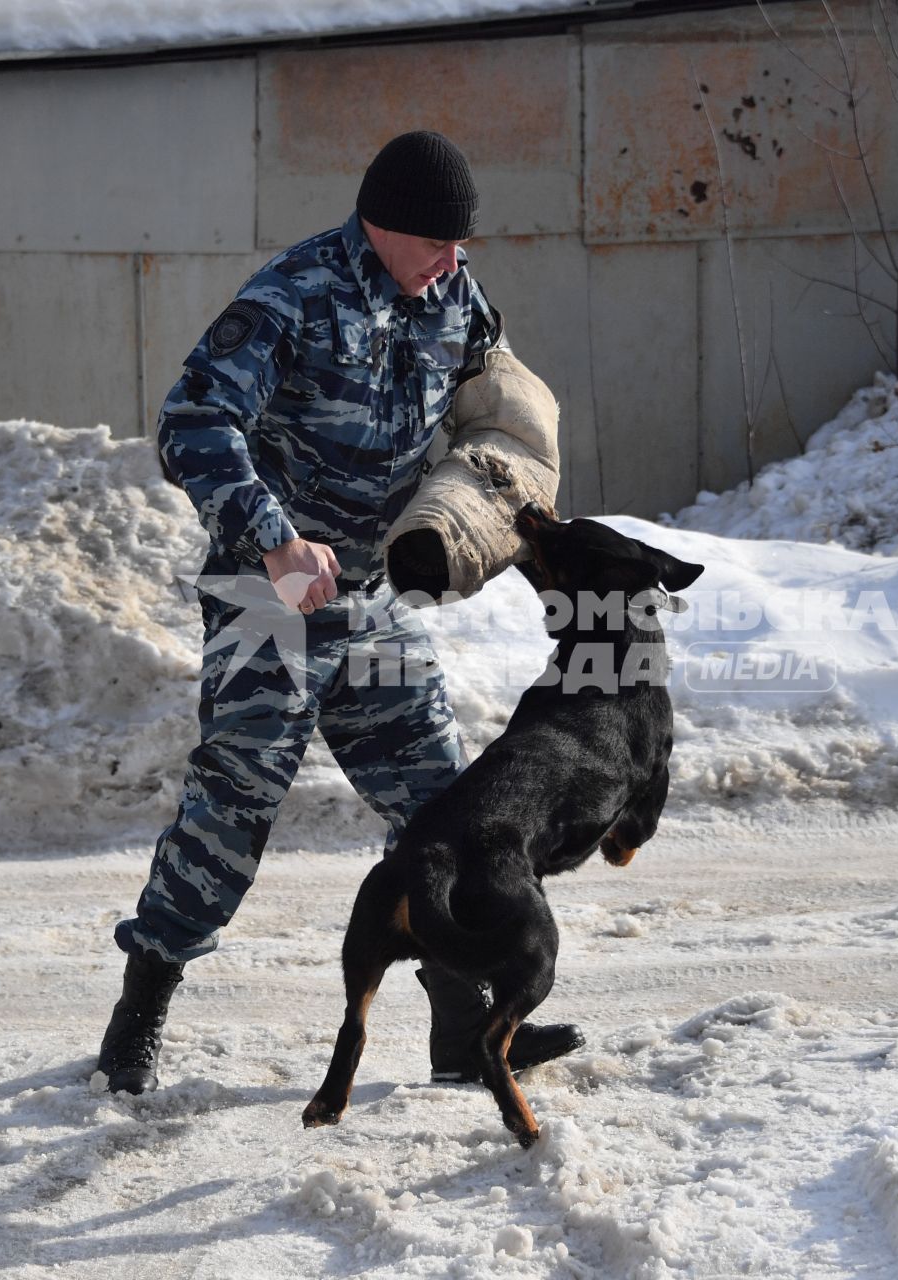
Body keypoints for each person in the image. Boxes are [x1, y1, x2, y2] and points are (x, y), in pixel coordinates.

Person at [97, 131, 584, 1095]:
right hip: (265, 591)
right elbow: (192, 422)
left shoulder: (455, 298)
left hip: (365, 594)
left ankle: (463, 1031)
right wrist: (275, 537)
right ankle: (140, 1007)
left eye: (462, 246)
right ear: (383, 225)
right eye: (439, 244)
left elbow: (500, 410)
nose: (455, 263)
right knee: (234, 805)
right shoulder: (296, 295)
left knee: (445, 808)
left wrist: (494, 506)